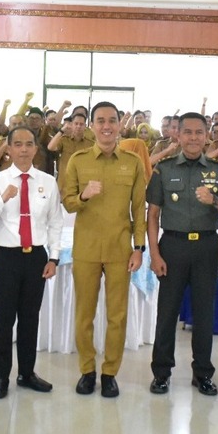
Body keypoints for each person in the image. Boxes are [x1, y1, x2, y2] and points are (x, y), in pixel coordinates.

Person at [146, 113, 218, 396]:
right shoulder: (162, 169)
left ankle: (203, 373)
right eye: (187, 132)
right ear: (178, 135)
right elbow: (152, 215)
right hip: (172, 246)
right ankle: (161, 373)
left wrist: (213, 200)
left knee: (203, 312)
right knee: (167, 312)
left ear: (206, 135)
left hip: (206, 247)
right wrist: (154, 253)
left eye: (199, 132)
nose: (193, 138)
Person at [62, 101, 148, 398]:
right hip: (86, 248)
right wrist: (83, 196)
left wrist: (139, 248)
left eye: (112, 120)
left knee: (117, 315)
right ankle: (87, 370)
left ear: (119, 125)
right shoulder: (78, 160)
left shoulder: (133, 162)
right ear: (92, 125)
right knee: (84, 314)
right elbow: (67, 201)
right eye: (100, 120)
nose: (107, 126)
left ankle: (110, 372)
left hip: (119, 249)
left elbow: (140, 209)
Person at [0, 126, 63, 399]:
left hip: (36, 257)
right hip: (6, 258)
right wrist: (3, 199)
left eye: (29, 144)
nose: (24, 149)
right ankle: (2, 376)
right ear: (9, 149)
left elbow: (55, 222)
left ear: (36, 148)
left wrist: (54, 257)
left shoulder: (48, 181)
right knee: (3, 319)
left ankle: (27, 373)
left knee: (29, 318)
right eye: (18, 144)